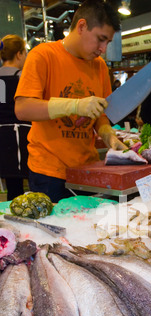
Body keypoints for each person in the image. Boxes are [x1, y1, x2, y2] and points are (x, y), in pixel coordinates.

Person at [15, 0, 126, 203]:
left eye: (107, 42)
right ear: (82, 26)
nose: (103, 48)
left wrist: (108, 136)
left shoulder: (100, 67)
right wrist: (74, 105)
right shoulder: (43, 55)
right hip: (49, 173)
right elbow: (23, 108)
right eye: (100, 39)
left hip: (88, 171)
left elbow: (100, 115)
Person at [0, 34, 30, 201]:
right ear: (19, 54)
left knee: (13, 188)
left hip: (3, 140)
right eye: (25, 53)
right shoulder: (22, 79)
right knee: (33, 182)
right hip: (23, 138)